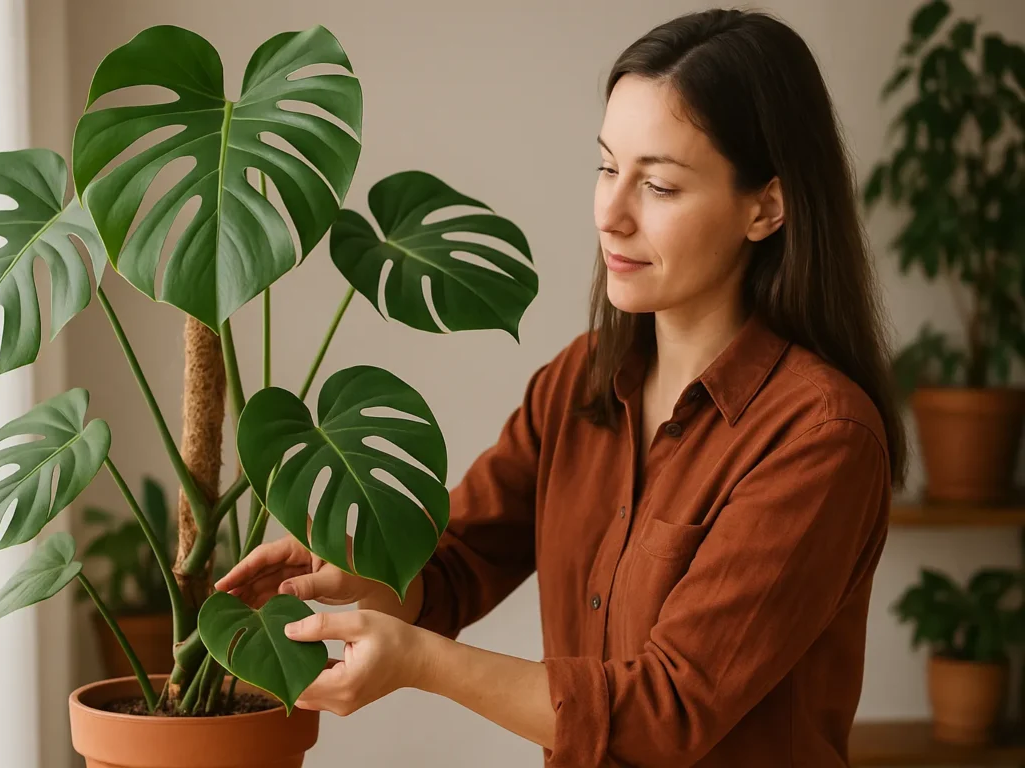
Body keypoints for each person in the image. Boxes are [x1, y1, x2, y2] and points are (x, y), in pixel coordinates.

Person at [215, 8, 905, 767]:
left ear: (766, 207)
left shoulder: (821, 437)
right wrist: (356, 575)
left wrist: (418, 662)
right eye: (607, 168)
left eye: (660, 186)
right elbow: (457, 564)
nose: (611, 215)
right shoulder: (581, 380)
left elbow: (667, 711)